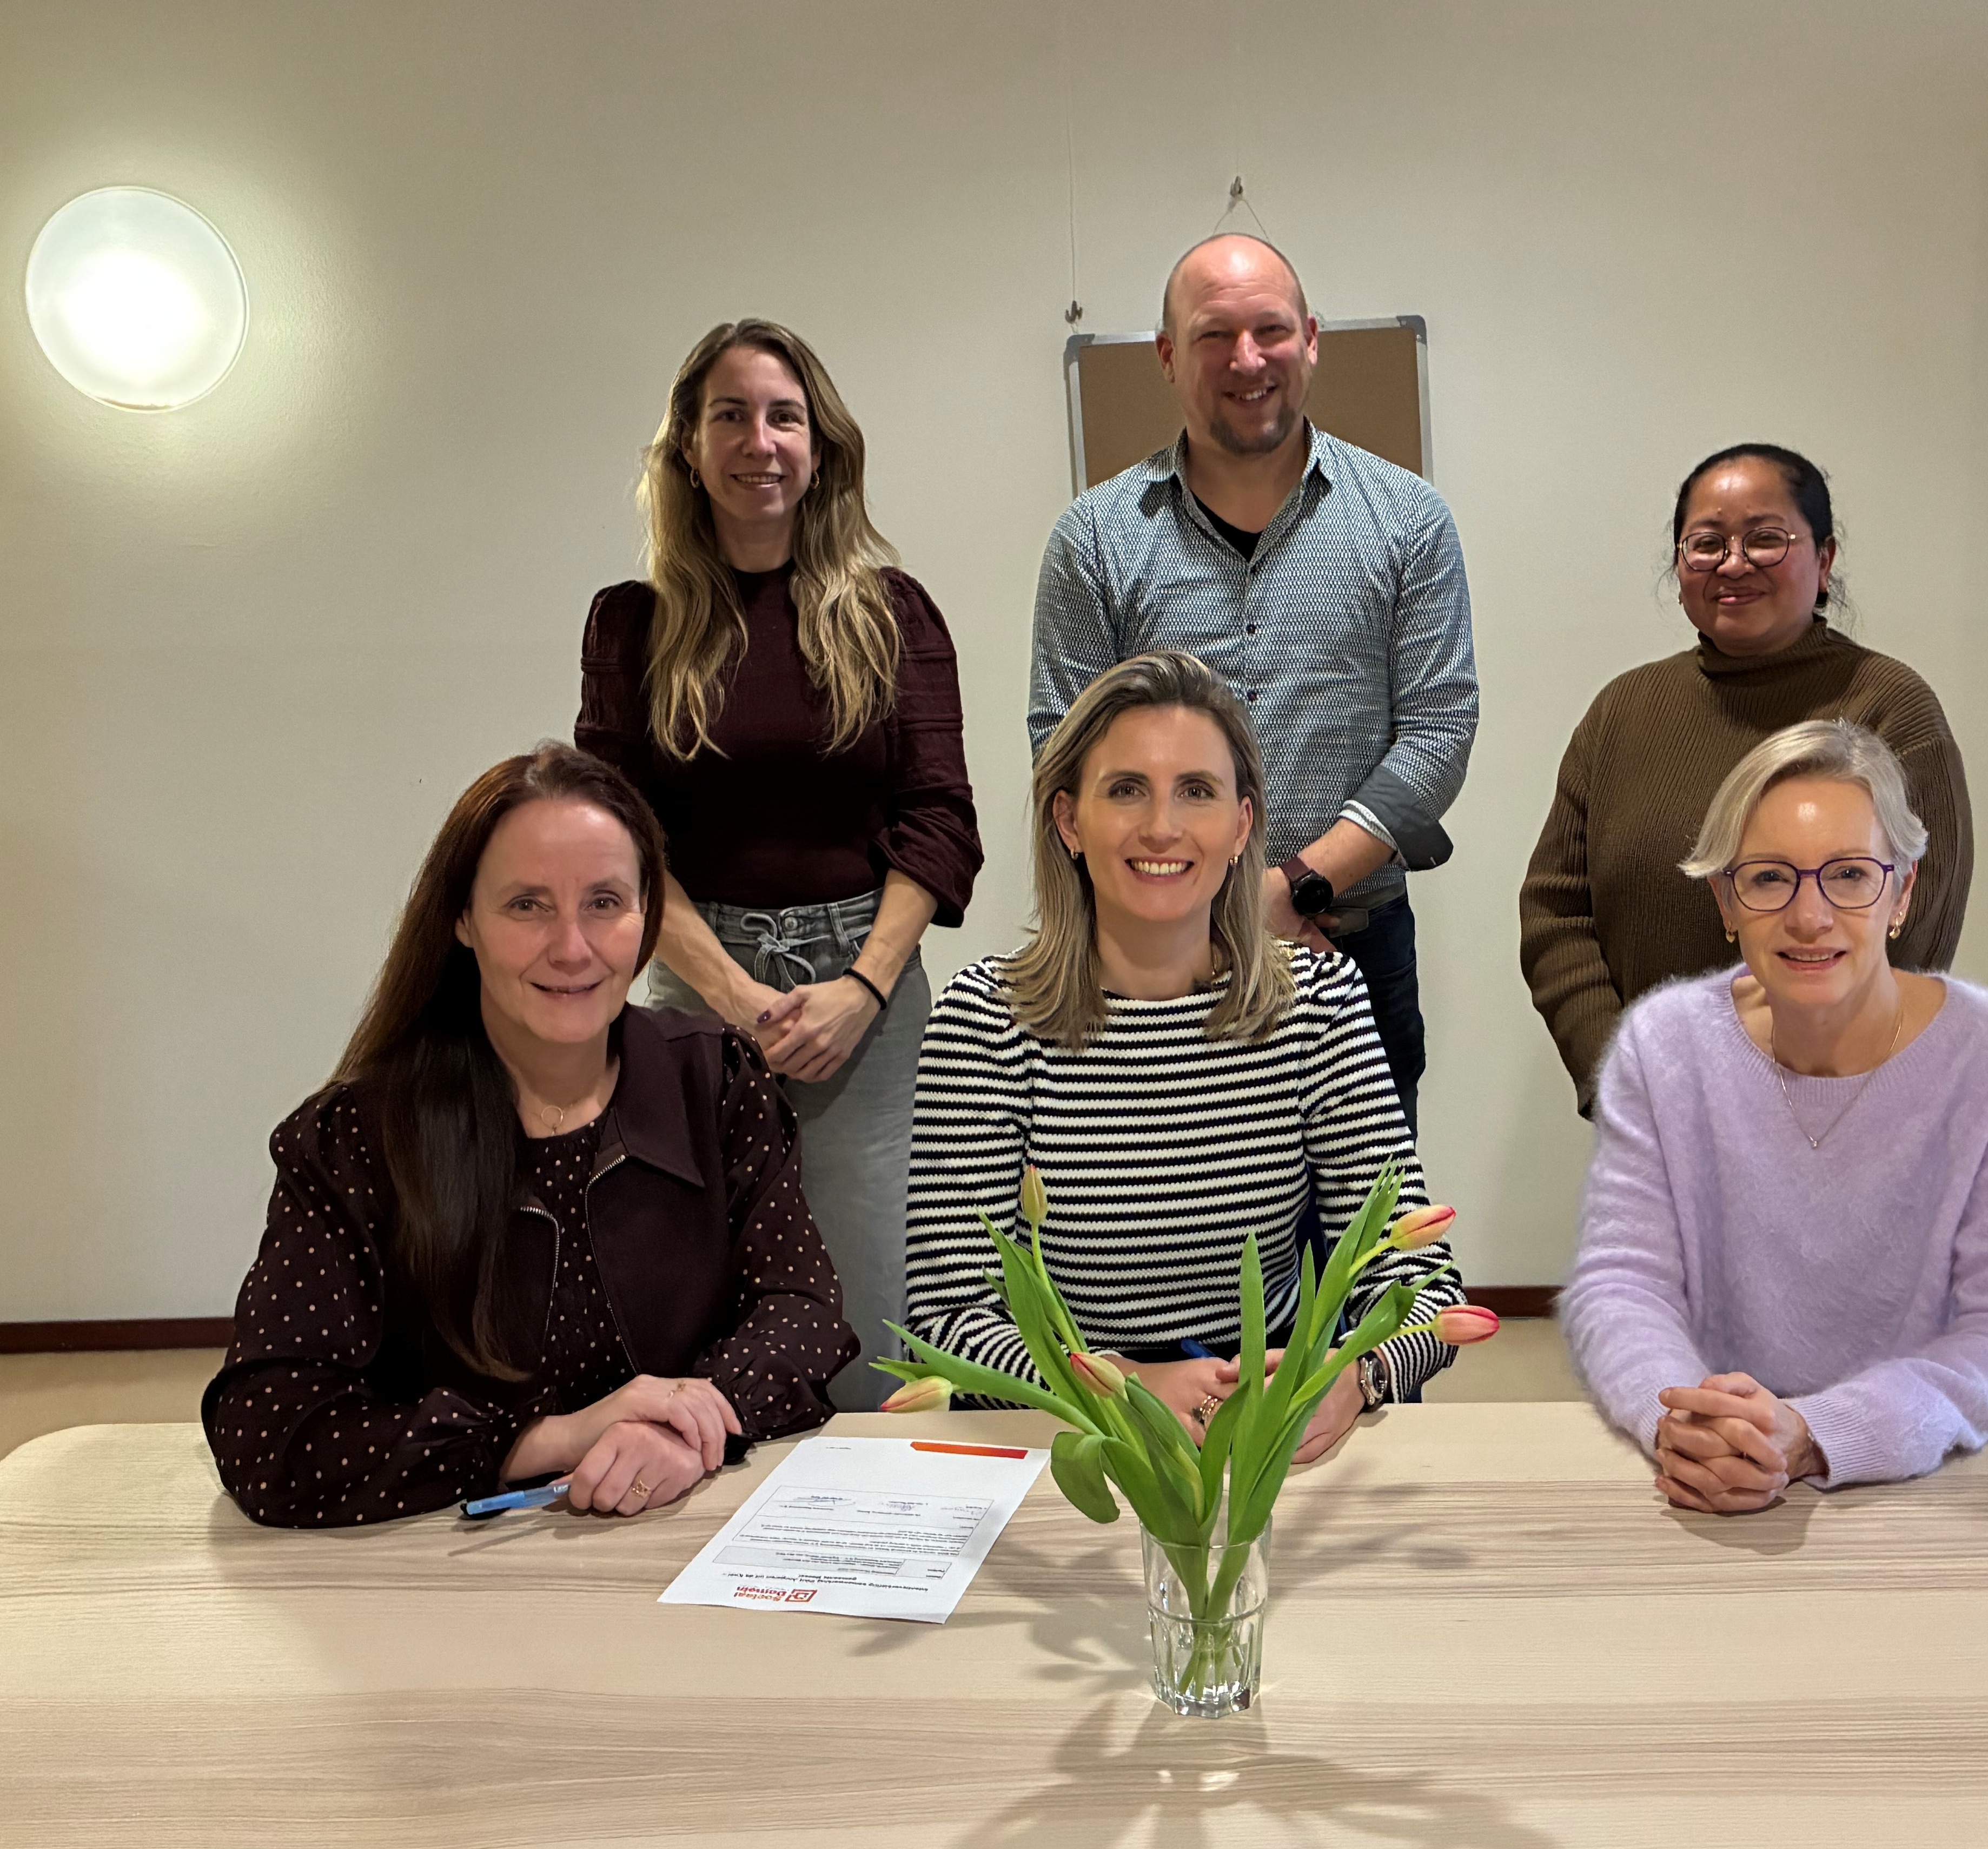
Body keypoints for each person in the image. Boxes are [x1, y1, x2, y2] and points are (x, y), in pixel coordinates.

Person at [204, 744, 856, 1528]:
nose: (573, 947)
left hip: (689, 1533)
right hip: (442, 1571)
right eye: (527, 905)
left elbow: (802, 1307)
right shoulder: (353, 1138)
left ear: (648, 918)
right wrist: (549, 1439)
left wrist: (692, 1420)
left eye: (606, 901)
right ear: (462, 920)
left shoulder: (716, 1081)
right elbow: (271, 1429)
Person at [906, 652, 1464, 1463]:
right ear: (1068, 821)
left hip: (1267, 1426)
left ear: (1241, 827)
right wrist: (1121, 1384)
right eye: (1125, 788)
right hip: (1071, 1434)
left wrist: (1353, 1375)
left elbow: (1418, 1282)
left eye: (1196, 790)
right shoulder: (987, 1018)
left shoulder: (1317, 1001)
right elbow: (949, 1316)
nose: (1161, 825)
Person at [578, 318, 981, 1411]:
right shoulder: (633, 626)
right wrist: (732, 994)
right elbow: (621, 839)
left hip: (867, 989)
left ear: (821, 444)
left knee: (870, 1301)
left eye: (784, 415)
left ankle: (869, 1535)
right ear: (689, 448)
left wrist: (861, 986)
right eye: (730, 414)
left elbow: (940, 819)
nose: (759, 440)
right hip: (696, 989)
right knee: (701, 1283)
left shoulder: (893, 615)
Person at [1559, 721, 1988, 1509]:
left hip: (1928, 1478)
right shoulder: (1663, 1043)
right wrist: (1683, 1419)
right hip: (1707, 1471)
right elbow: (1620, 1282)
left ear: (1903, 892)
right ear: (1725, 900)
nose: (1810, 916)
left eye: (1849, 875)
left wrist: (1812, 1431)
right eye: (1769, 878)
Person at [1029, 235, 1477, 1132]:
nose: (1246, 361)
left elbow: (1437, 729)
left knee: (1359, 1251)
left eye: (1270, 330)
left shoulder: (1406, 521)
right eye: (1212, 336)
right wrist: (1212, 906)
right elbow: (1060, 746)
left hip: (1350, 946)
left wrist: (1291, 890)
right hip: (1152, 967)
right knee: (1168, 1246)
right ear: (1167, 355)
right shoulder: (1095, 538)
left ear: (1310, 340)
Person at [1521, 443, 1974, 1114]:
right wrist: (1620, 1075)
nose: (1733, 564)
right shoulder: (1623, 710)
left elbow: (1914, 930)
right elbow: (1556, 911)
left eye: (1765, 539)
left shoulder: (1890, 707)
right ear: (1679, 567)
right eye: (1706, 543)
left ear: (1823, 562)